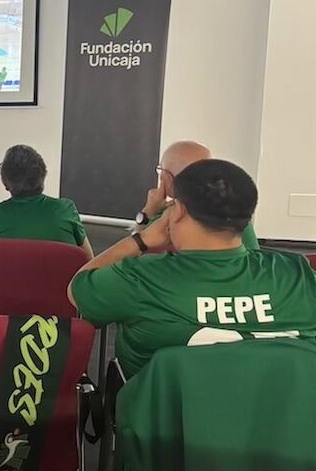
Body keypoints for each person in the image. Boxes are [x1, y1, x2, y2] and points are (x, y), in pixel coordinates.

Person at [68, 159, 316, 378]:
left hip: (167, 426)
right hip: (286, 425)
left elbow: (78, 289)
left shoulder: (141, 278)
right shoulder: (298, 275)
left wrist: (140, 240)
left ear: (180, 211)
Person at [0, 145, 93, 257]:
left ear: (5, 182)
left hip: (1, 282)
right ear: (43, 175)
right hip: (59, 283)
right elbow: (88, 260)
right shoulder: (65, 210)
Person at [136, 140, 259, 250]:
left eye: (161, 170)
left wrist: (147, 213)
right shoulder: (235, 209)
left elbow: (130, 255)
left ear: (167, 178)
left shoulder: (166, 218)